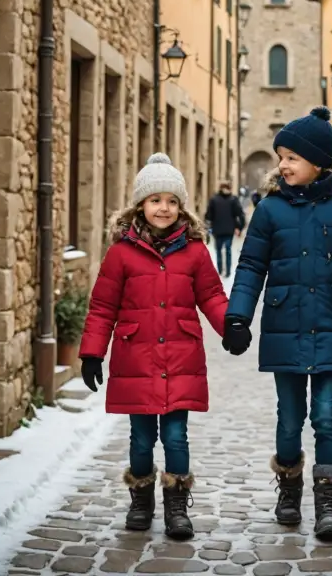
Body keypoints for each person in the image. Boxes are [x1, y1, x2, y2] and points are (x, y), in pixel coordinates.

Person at [222, 107, 332, 542]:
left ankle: (328, 505)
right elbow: (252, 265)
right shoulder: (270, 210)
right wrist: (238, 317)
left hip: (331, 322)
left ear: (318, 162)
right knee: (290, 418)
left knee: (327, 416)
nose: (282, 165)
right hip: (285, 322)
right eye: (280, 157)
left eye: (291, 157)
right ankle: (289, 491)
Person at [78, 153, 228, 541]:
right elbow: (103, 305)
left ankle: (177, 507)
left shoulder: (194, 251)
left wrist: (233, 327)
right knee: (141, 438)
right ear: (140, 205)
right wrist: (92, 351)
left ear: (182, 207)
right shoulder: (121, 253)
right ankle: (141, 500)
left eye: (172, 201)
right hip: (136, 359)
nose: (164, 208)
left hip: (180, 357)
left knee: (177, 436)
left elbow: (211, 295)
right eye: (156, 200)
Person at [205, 180, 246, 277]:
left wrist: (209, 225)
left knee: (219, 250)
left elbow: (208, 216)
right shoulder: (233, 199)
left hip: (217, 230)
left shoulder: (214, 200)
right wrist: (239, 227)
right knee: (227, 250)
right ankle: (227, 272)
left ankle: (220, 270)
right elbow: (239, 214)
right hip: (229, 230)